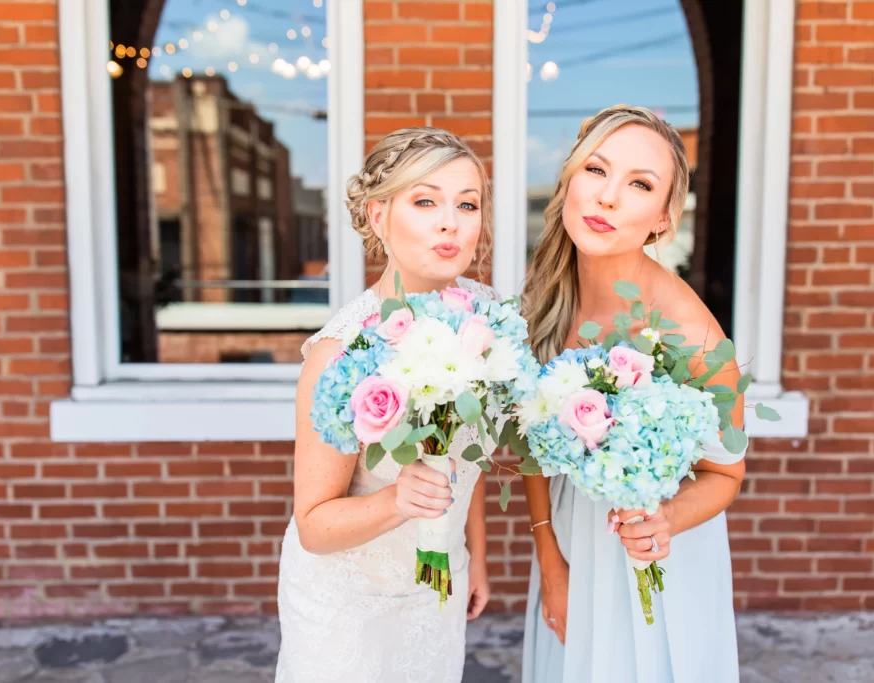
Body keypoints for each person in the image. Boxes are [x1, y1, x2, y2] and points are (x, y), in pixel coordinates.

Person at [520, 105, 746, 682]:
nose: (608, 197)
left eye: (640, 184)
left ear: (664, 218)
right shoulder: (547, 298)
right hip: (572, 541)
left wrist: (665, 519)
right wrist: (551, 561)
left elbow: (726, 474)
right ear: (569, 179)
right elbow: (531, 441)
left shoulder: (689, 333)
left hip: (653, 558)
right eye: (596, 171)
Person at [276, 127, 496, 683]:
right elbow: (316, 526)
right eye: (425, 201)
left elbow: (462, 458)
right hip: (349, 606)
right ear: (378, 218)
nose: (451, 221)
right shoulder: (337, 354)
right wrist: (399, 499)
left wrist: (474, 555)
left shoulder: (487, 317)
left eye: (466, 204)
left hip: (435, 589)